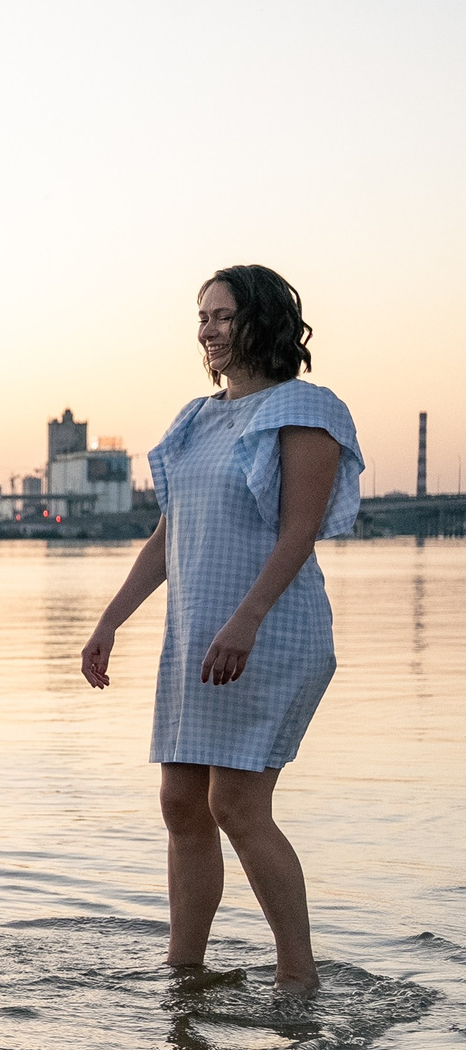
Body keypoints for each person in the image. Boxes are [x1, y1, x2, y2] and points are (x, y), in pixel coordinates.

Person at [81, 266, 363, 991]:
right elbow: (167, 538)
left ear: (261, 320)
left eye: (222, 315)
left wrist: (247, 620)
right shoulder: (196, 419)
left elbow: (299, 533)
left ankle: (298, 978)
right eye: (201, 316)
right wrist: (111, 619)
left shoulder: (308, 409)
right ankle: (186, 970)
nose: (206, 329)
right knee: (181, 803)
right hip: (197, 636)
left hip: (268, 629)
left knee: (236, 803)